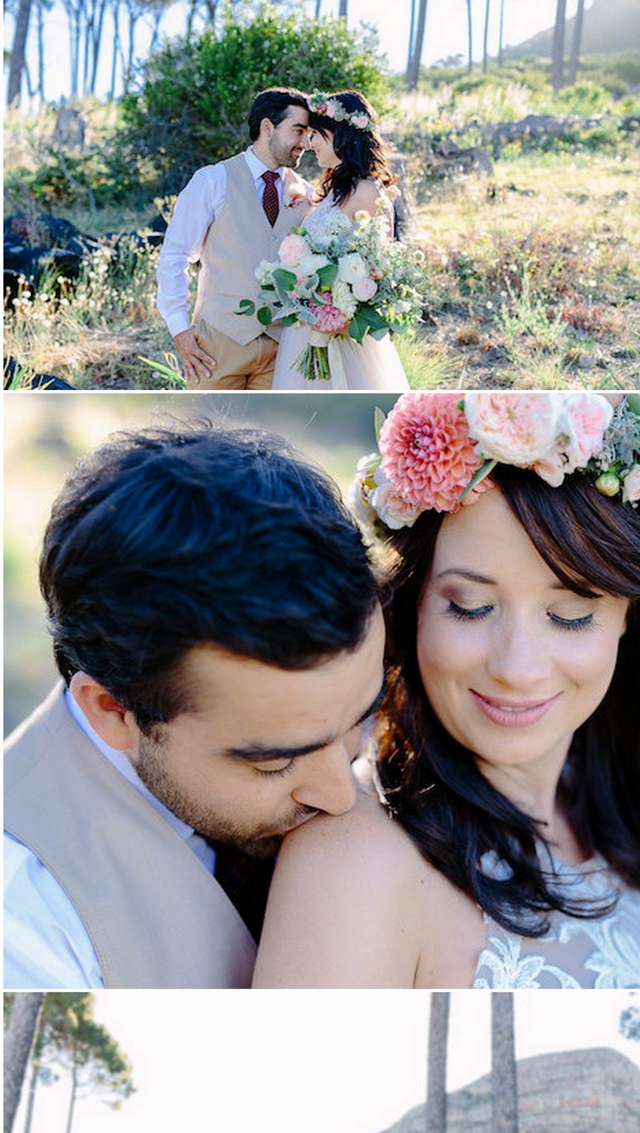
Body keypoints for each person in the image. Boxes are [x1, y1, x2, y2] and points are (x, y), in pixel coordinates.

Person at [254, 392, 640, 991]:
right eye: (470, 607)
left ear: (630, 616)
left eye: (570, 616)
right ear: (412, 604)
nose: (517, 668)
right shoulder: (354, 864)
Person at [4, 421, 383, 990]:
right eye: (273, 763)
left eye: (360, 719)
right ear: (112, 709)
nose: (340, 792)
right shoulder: (27, 922)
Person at [156, 86, 312, 388]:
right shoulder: (213, 180)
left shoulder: (306, 194)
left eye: (308, 133)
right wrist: (181, 333)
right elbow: (175, 256)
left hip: (282, 350)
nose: (305, 142)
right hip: (216, 346)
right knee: (205, 432)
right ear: (268, 127)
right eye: (298, 131)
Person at [273, 88, 410, 390]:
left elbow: (379, 268)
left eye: (317, 135)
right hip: (309, 327)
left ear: (341, 135)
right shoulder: (334, 185)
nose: (309, 144)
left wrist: (337, 312)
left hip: (343, 332)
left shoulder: (367, 191)